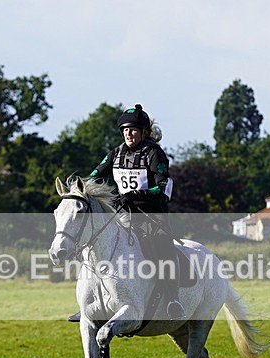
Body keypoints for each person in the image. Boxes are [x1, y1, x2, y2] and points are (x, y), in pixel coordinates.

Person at [68, 104, 184, 322]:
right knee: (93, 243)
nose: (128, 134)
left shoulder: (153, 153)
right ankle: (89, 305)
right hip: (122, 213)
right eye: (125, 130)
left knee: (161, 245)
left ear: (143, 132)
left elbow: (162, 187)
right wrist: (78, 190)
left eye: (133, 130)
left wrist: (135, 195)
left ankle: (172, 299)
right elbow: (94, 175)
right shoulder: (116, 153)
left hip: (151, 215)